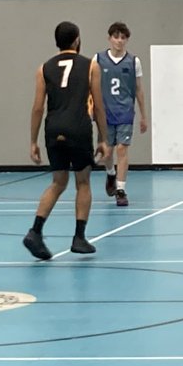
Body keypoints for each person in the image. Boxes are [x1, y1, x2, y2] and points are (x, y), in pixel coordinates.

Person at [24, 22, 109, 260]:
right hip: (78, 127)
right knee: (82, 181)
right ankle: (79, 237)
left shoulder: (43, 68)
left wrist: (33, 140)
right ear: (77, 40)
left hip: (53, 129)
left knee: (58, 182)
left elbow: (38, 108)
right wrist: (103, 138)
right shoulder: (91, 66)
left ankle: (35, 231)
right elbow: (99, 106)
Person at [97, 21, 149, 207]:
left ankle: (121, 190)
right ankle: (111, 174)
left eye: (123, 38)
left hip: (125, 111)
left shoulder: (134, 61)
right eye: (116, 37)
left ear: (127, 40)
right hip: (105, 112)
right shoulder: (98, 59)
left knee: (122, 149)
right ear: (109, 38)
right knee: (107, 152)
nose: (119, 41)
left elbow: (139, 90)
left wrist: (143, 115)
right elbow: (91, 86)